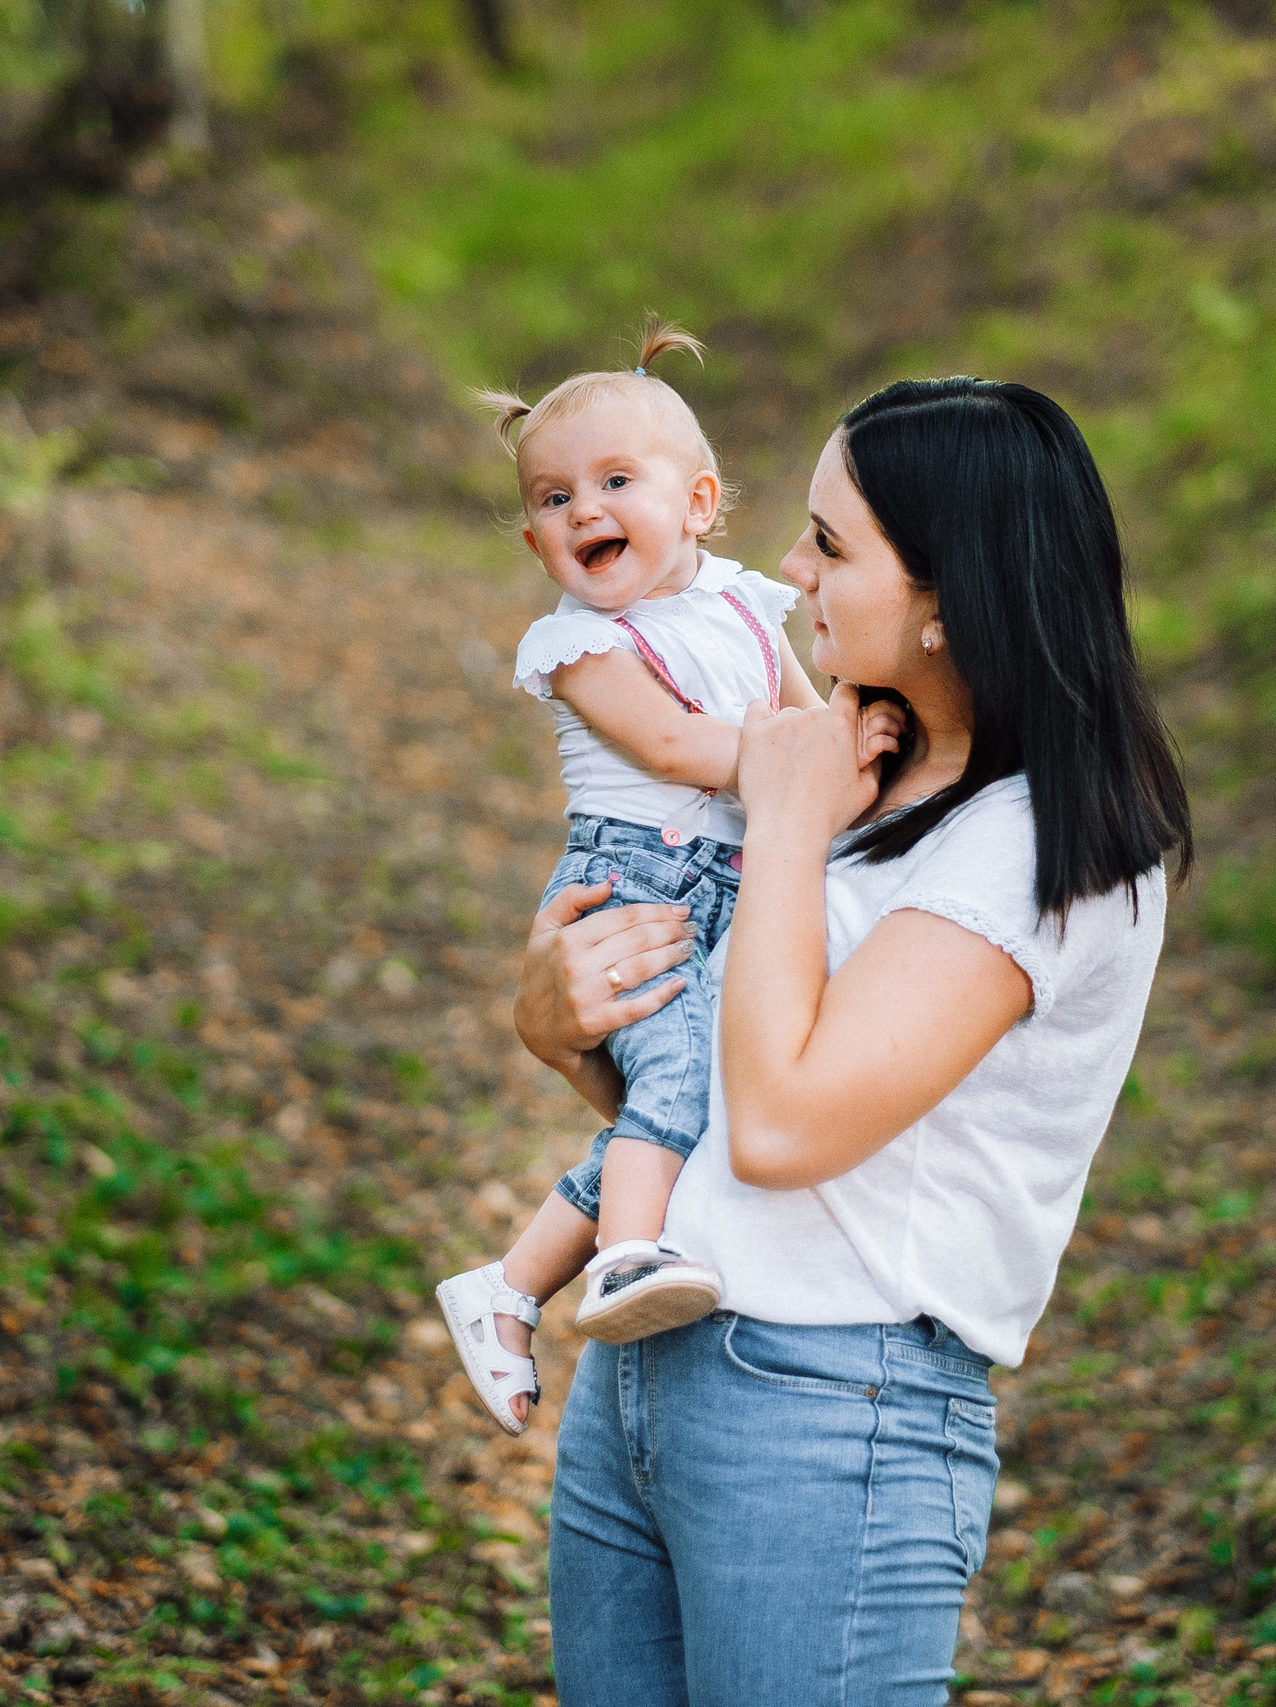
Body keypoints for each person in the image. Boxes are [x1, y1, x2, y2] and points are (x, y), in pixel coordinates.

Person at [511, 377, 1194, 1707]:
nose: (784, 566)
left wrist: (784, 820)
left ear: (948, 596)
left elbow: (781, 1127)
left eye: (829, 543)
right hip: (646, 1362)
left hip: (831, 1404)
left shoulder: (1039, 847)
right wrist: (562, 1034)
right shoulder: (864, 774)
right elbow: (706, 1085)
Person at [436, 321, 822, 1438]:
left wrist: (852, 752)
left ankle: (508, 1287)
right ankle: (622, 1263)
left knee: (692, 1089)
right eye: (553, 500)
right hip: (636, 888)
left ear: (698, 503)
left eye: (614, 481)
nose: (583, 510)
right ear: (532, 543)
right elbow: (673, 747)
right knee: (685, 1074)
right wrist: (817, 769)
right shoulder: (579, 646)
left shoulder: (749, 604)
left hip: (731, 881)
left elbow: (803, 716)